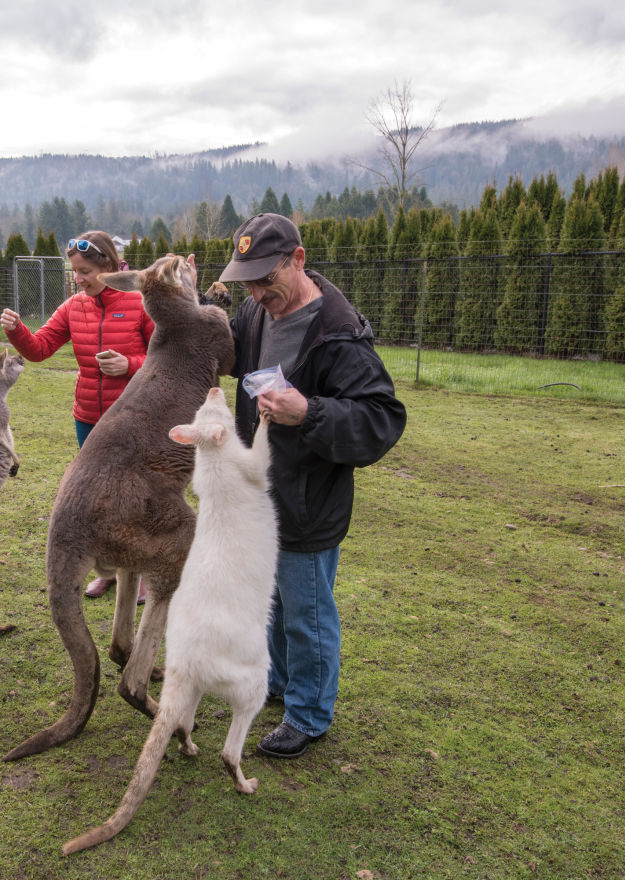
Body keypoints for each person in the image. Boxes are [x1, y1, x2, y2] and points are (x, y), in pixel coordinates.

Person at [219, 213, 407, 759]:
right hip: (260, 494)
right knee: (270, 602)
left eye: (264, 279)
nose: (255, 292)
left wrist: (309, 411)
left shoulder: (339, 336)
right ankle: (278, 684)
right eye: (246, 281)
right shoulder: (255, 312)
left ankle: (309, 714)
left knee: (307, 614)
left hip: (308, 502)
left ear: (297, 260)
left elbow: (380, 420)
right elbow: (227, 352)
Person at [0, 230, 154, 601]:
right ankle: (110, 571)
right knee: (98, 498)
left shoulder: (139, 303)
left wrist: (129, 364)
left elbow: (165, 358)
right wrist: (17, 330)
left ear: (109, 266)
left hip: (132, 417)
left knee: (136, 497)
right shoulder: (73, 308)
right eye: (75, 272)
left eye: (85, 271)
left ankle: (144, 576)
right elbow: (38, 350)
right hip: (87, 418)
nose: (79, 279)